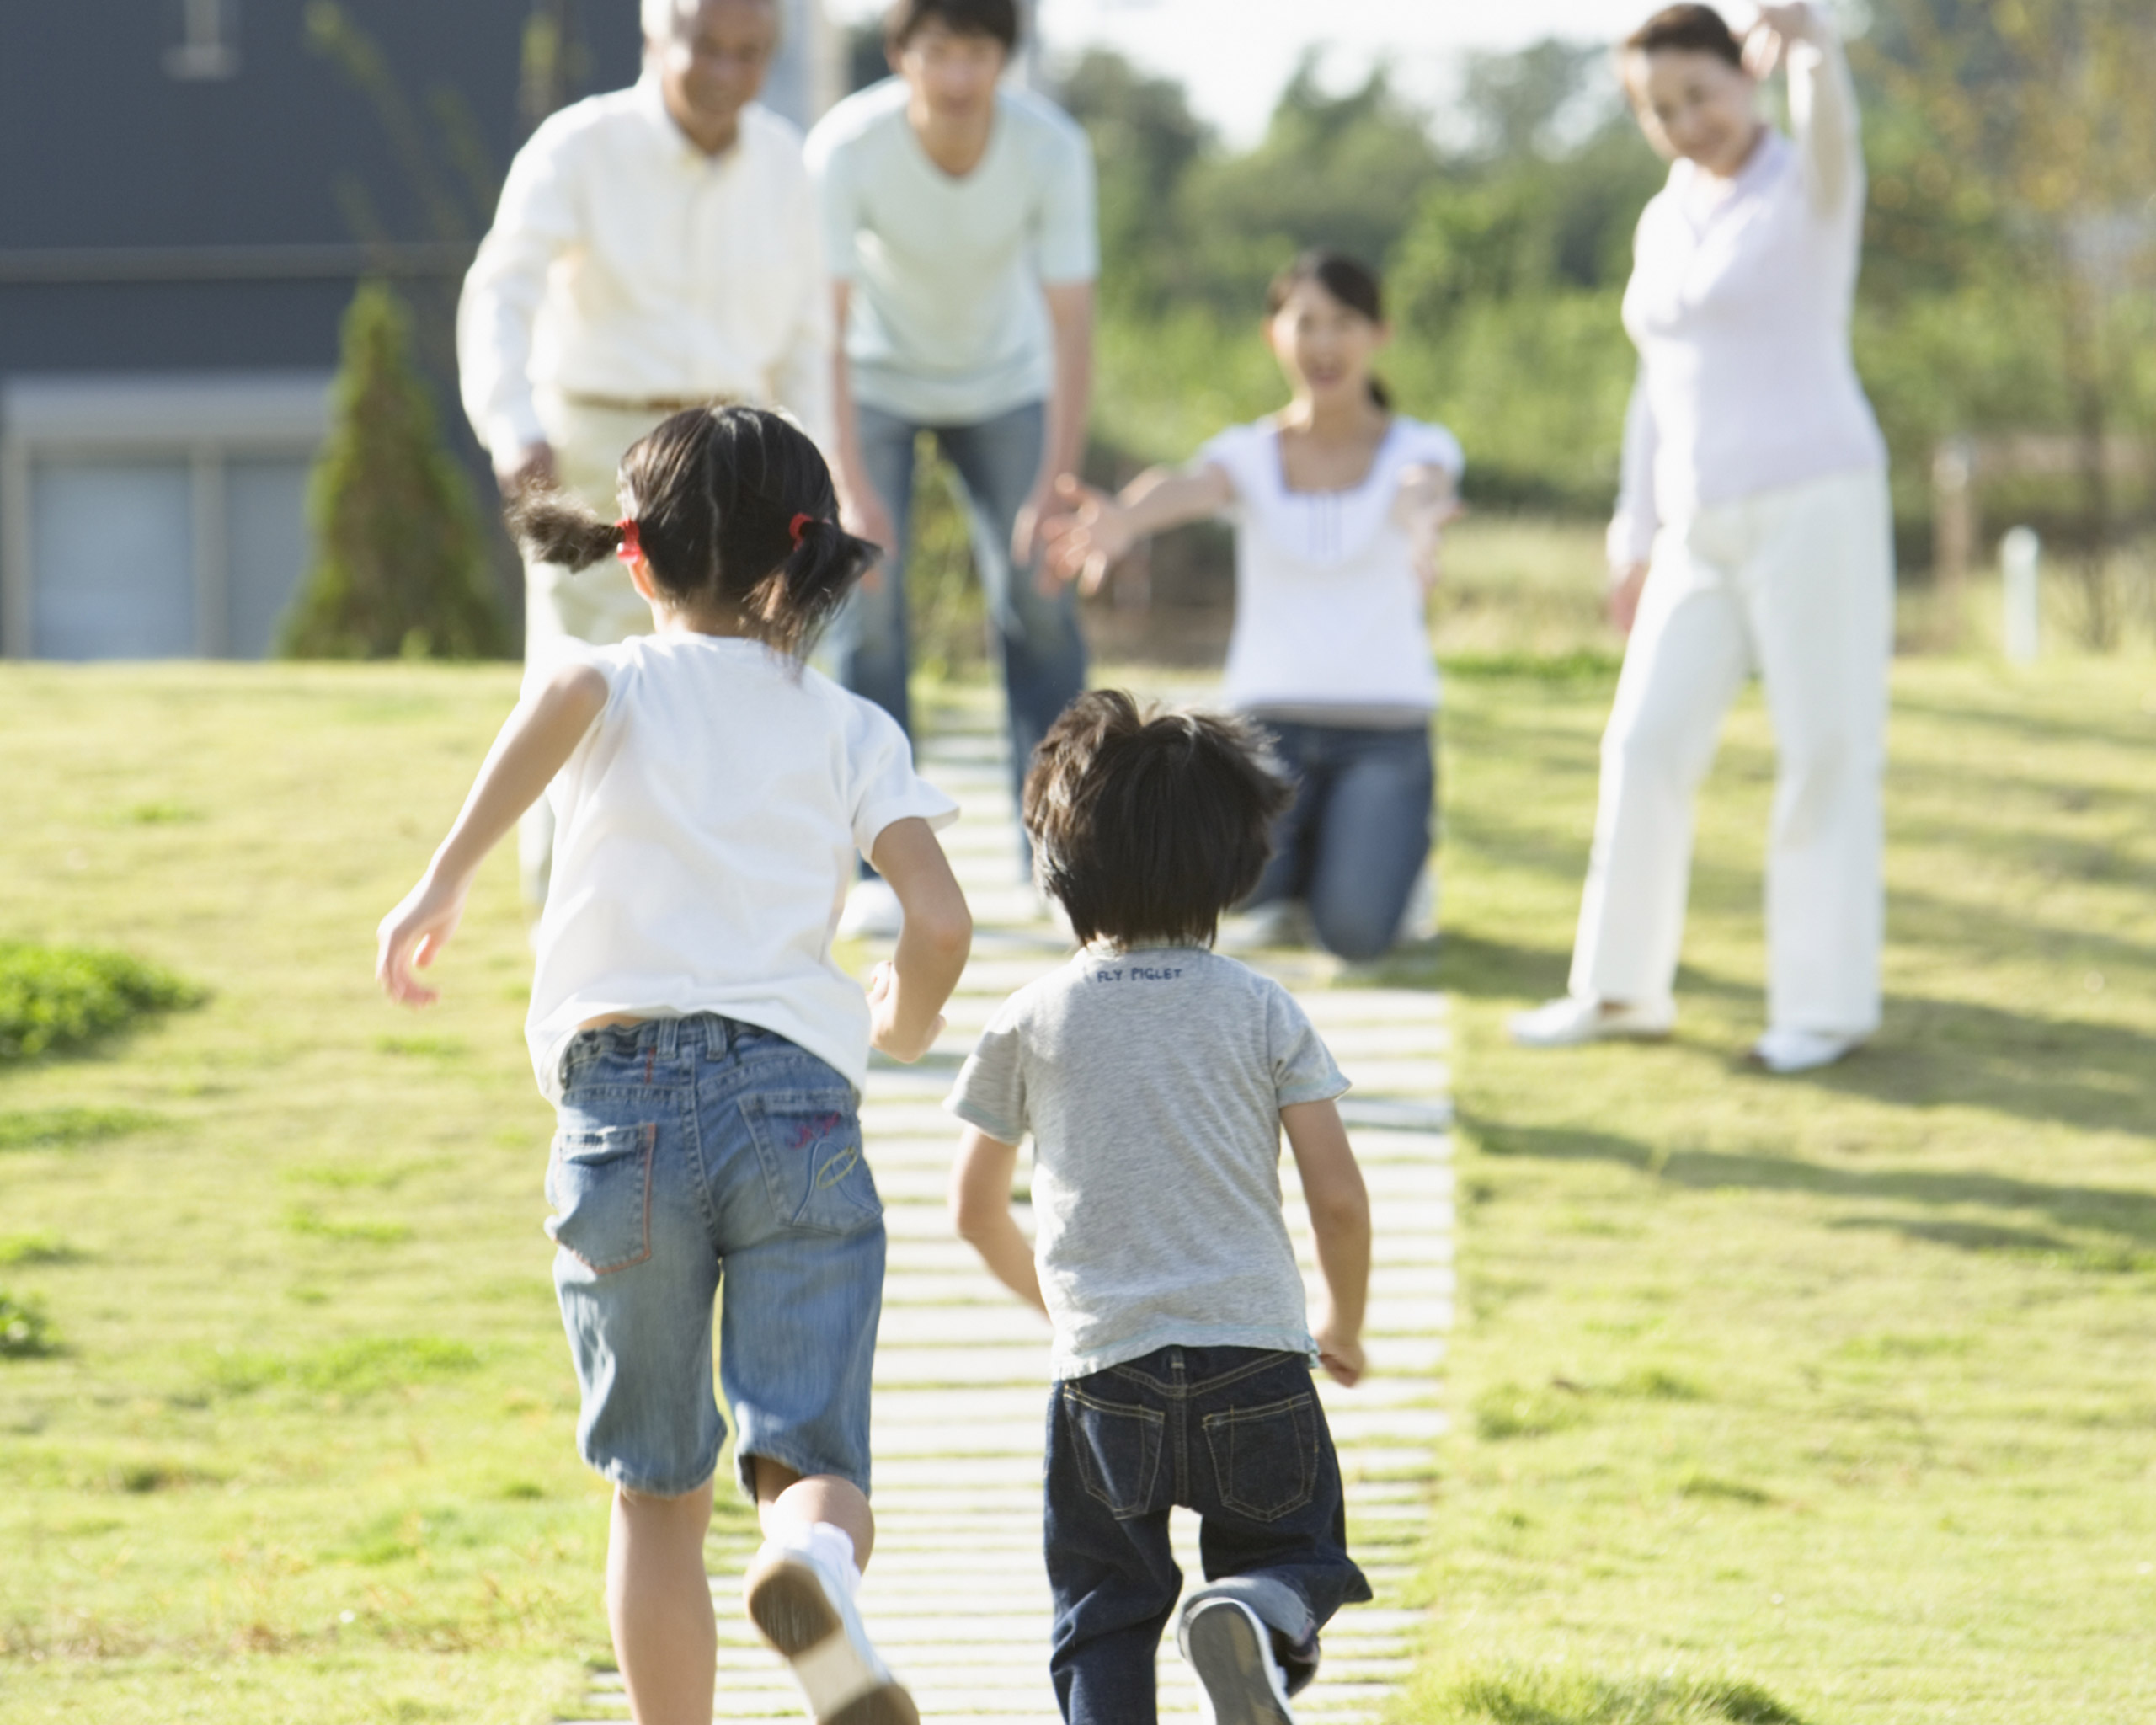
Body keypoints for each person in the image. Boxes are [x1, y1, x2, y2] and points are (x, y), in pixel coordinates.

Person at [375, 407, 971, 1725]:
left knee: (654, 1489)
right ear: (806, 563)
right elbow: (939, 922)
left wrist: (444, 881)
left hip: (619, 1109)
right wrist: (909, 1022)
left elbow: (560, 693)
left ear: (634, 560)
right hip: (797, 1109)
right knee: (809, 1451)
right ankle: (807, 1563)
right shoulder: (851, 728)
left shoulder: (613, 680)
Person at [944, 691, 1374, 1725]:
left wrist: (1068, 1315)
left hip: (1103, 1369)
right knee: (1294, 1549)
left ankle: (1223, 1627)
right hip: (1256, 1353)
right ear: (1236, 862)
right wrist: (1342, 1323)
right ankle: (1256, 1609)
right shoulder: (1263, 1007)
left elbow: (972, 1207)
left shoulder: (1031, 1018)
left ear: (1054, 866)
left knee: (1104, 1608)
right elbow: (1337, 1197)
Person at [1510, 2, 1892, 1075]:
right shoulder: (1665, 213)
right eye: (1657, 108)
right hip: (1695, 523)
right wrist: (1633, 529)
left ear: (1749, 79)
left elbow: (1832, 128)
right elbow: (1657, 382)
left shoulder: (1809, 186)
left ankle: (1824, 1007)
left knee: (1823, 754)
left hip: (1817, 502)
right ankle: (1620, 988)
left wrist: (1813, 45)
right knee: (1642, 744)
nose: (1684, 123)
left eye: (1701, 96)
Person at [458, 0, 830, 912]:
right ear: (655, 36)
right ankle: (569, 959)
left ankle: (703, 954)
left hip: (741, 465)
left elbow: (809, 343)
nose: (727, 73)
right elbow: (499, 294)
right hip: (595, 458)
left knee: (732, 711)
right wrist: (513, 428)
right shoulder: (577, 146)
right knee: (572, 698)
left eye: (752, 54)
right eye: (707, 47)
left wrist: (819, 490)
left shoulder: (785, 163)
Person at [1041, 252, 1463, 962]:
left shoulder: (1419, 447)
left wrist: (1422, 526)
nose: (1324, 345)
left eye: (1344, 323)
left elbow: (1424, 488)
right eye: (1305, 323)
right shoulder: (1248, 454)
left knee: (1355, 937)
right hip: (1267, 738)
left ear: (1379, 334)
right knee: (1224, 901)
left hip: (1385, 734)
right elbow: (1186, 486)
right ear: (1275, 334)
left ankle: (1381, 859)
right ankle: (1312, 861)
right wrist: (1123, 520)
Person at [806, 0, 1098, 935]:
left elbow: (1073, 323)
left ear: (1003, 59)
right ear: (901, 56)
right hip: (877, 384)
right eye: (939, 54)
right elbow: (824, 327)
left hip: (1007, 385)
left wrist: (1056, 482)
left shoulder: (1050, 147)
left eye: (978, 54)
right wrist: (849, 484)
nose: (960, 78)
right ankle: (876, 872)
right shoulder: (847, 146)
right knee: (869, 613)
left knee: (1038, 600)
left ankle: (1062, 863)